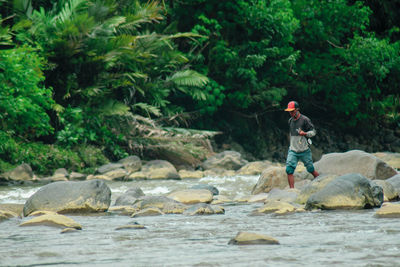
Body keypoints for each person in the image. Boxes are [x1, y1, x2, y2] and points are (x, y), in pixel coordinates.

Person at [284, 101, 319, 188]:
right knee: (289, 170)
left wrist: (305, 134)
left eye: (292, 111)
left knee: (310, 169)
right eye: (289, 111)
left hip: (304, 150)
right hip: (293, 150)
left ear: (297, 109)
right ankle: (291, 190)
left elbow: (313, 132)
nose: (290, 113)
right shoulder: (290, 121)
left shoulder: (305, 120)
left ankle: (320, 182)